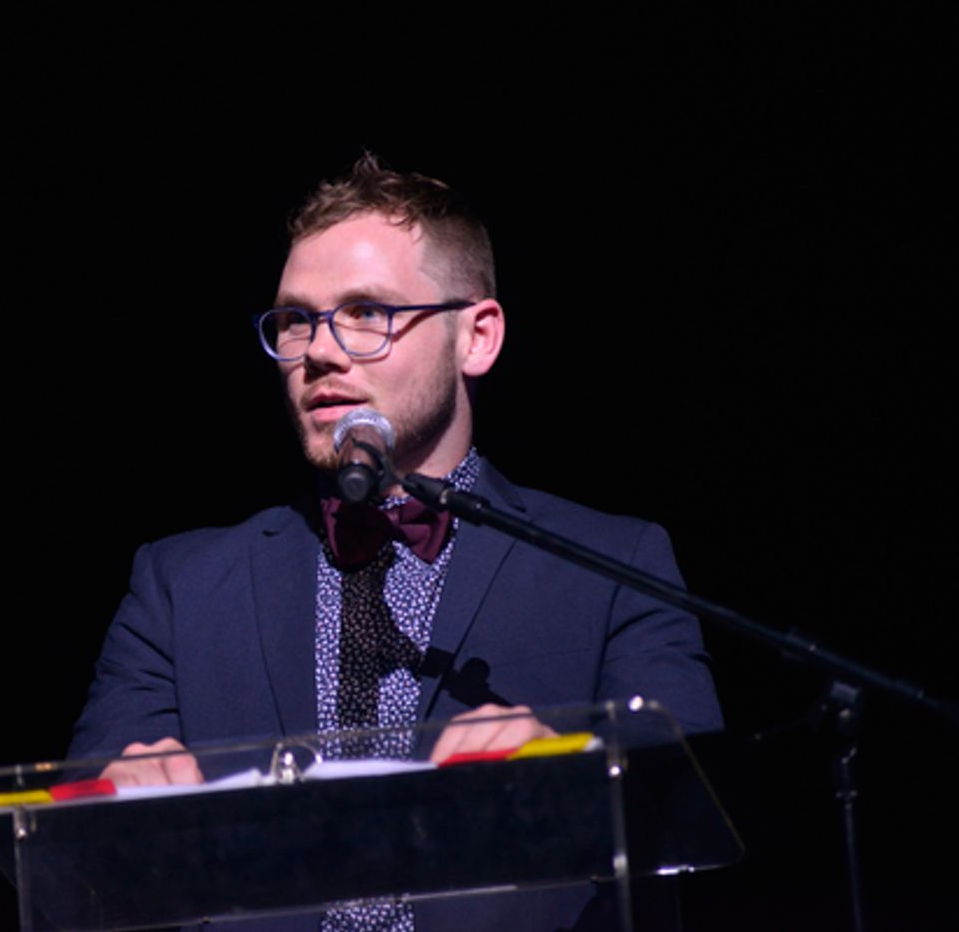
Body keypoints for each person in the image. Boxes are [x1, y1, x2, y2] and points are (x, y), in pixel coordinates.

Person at [67, 154, 722, 931]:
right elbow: (74, 847)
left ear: (476, 337)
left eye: (367, 313)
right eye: (295, 319)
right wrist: (117, 802)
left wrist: (577, 763)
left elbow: (697, 794)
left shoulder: (613, 566)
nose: (319, 350)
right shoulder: (180, 585)